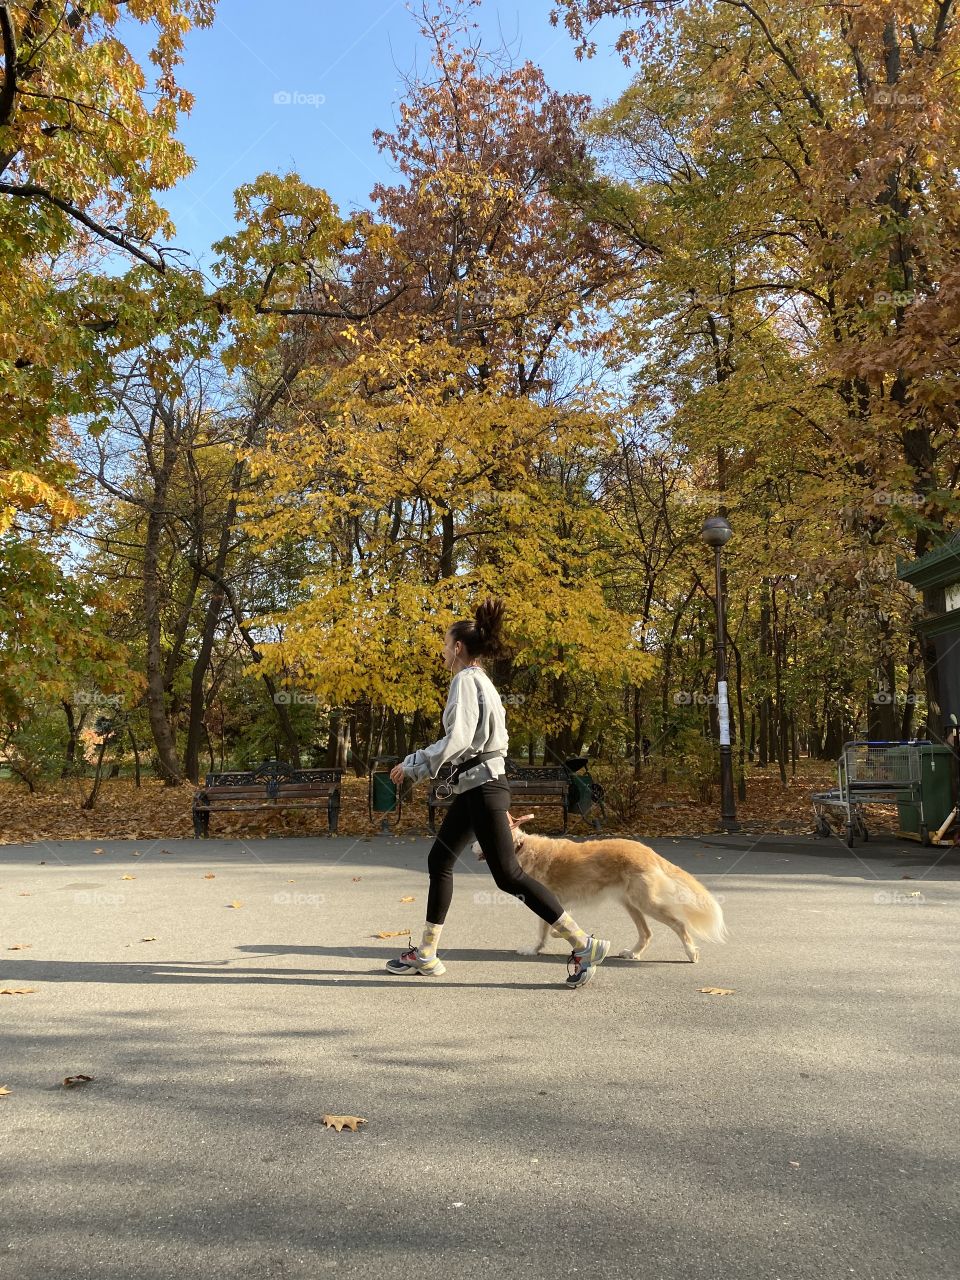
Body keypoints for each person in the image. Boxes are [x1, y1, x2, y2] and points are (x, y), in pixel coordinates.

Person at [386, 596, 611, 988]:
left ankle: (583, 943)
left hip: (483, 789)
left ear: (458, 648)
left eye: (444, 643)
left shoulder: (465, 681)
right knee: (440, 860)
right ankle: (426, 954)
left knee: (508, 875)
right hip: (479, 789)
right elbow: (488, 744)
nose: (442, 650)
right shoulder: (484, 683)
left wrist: (414, 764)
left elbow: (457, 740)